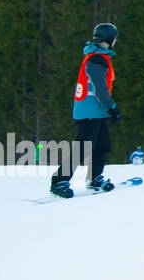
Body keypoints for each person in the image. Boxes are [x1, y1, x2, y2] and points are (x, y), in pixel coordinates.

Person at [50, 23, 121, 198]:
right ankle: (59, 182)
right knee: (81, 148)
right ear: (109, 39)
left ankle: (94, 178)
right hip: (89, 111)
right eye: (115, 38)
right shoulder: (96, 59)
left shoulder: (99, 57)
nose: (116, 41)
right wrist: (112, 107)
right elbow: (99, 87)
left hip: (97, 112)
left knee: (102, 146)